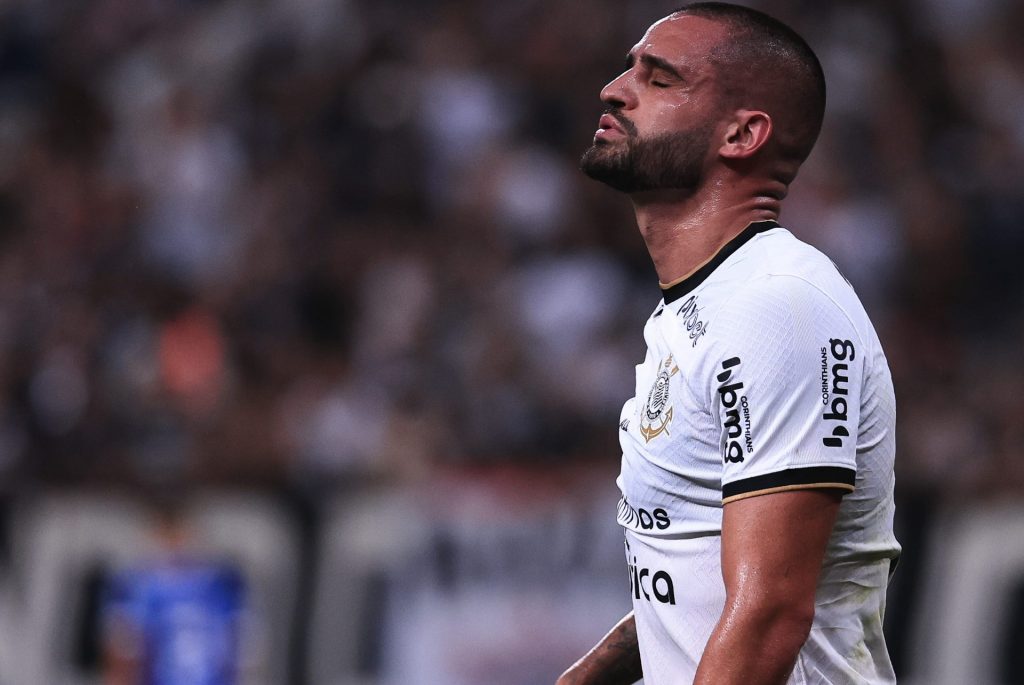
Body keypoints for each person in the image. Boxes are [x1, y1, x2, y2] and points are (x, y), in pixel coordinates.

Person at [558, 3, 900, 684]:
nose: (614, 88)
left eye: (659, 80)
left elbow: (769, 611)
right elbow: (710, 559)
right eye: (631, 67)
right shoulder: (705, 306)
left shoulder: (776, 306)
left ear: (742, 134)